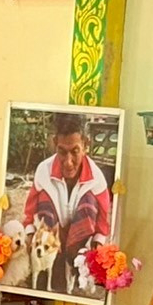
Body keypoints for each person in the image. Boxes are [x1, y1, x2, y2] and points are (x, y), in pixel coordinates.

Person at [21, 112, 113, 288]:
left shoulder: (97, 179)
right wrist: (31, 237)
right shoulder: (43, 171)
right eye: (62, 152)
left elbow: (102, 222)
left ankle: (74, 263)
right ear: (55, 143)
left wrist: (96, 249)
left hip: (78, 235)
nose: (68, 162)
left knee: (90, 202)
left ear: (86, 145)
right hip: (51, 235)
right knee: (44, 198)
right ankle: (51, 263)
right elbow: (29, 211)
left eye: (75, 152)